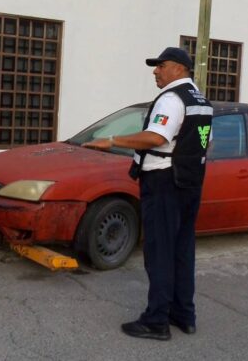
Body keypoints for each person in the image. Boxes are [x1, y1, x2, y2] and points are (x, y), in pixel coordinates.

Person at [82, 47, 212, 341]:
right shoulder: (201, 102)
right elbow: (206, 144)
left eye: (160, 66)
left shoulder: (171, 99)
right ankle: (184, 314)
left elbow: (156, 137)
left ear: (178, 68)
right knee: (182, 250)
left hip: (164, 182)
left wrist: (112, 140)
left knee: (159, 252)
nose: (155, 71)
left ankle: (156, 321)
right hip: (190, 183)